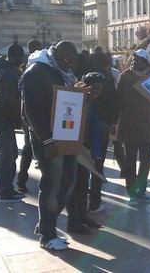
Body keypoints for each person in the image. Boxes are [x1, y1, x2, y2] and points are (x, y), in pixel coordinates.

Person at [21, 41, 79, 251]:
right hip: (49, 139)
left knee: (68, 182)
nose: (71, 65)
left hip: (67, 135)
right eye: (68, 60)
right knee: (52, 185)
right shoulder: (35, 72)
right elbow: (32, 111)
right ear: (58, 55)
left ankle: (46, 224)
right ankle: (47, 235)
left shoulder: (62, 71)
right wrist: (47, 140)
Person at [65, 72, 105, 234]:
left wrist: (95, 153)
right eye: (94, 88)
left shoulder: (91, 103)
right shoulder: (75, 101)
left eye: (100, 90)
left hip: (85, 149)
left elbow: (94, 128)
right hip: (74, 148)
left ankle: (81, 216)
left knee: (82, 184)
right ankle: (73, 221)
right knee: (73, 186)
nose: (97, 93)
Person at [116, 49, 150, 206]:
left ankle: (142, 191)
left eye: (140, 60)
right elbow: (118, 98)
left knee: (145, 161)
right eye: (135, 59)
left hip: (146, 124)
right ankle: (132, 192)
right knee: (131, 161)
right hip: (130, 123)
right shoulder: (125, 76)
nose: (136, 62)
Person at [0, 44, 25, 202]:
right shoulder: (7, 74)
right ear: (18, 57)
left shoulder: (0, 69)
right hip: (3, 121)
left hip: (0, 119)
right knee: (7, 155)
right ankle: (3, 191)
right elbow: (7, 101)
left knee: (10, 154)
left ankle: (7, 188)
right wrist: (18, 118)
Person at [87, 53, 119, 213]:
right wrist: (112, 123)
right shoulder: (106, 79)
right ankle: (94, 202)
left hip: (84, 130)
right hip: (101, 128)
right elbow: (114, 103)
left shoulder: (84, 79)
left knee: (84, 166)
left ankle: (82, 202)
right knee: (98, 166)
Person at [17, 39, 43, 193]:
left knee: (28, 149)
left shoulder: (25, 69)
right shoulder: (34, 70)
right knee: (30, 149)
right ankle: (22, 181)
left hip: (26, 117)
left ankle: (21, 181)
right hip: (31, 117)